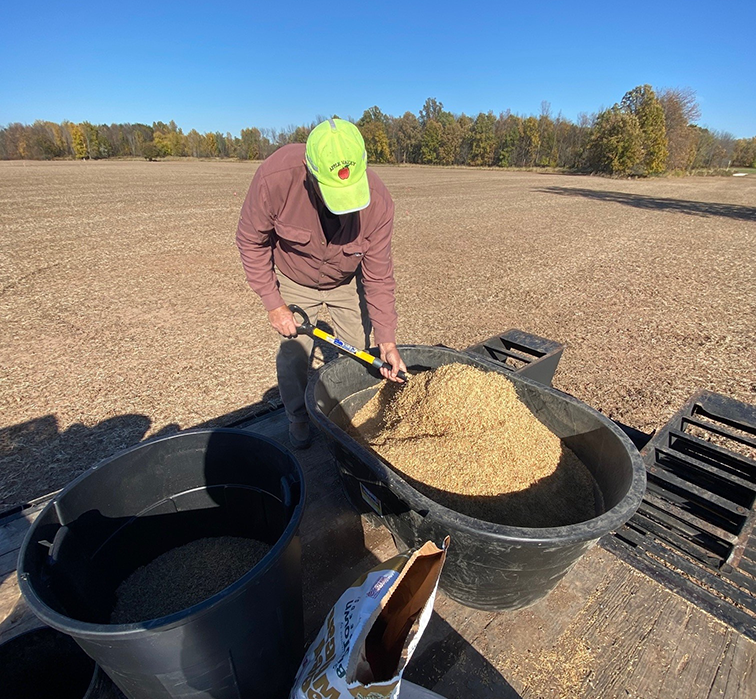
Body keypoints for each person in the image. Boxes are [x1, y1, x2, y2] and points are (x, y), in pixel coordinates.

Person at [236, 118, 406, 449]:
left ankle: (350, 417)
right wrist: (274, 303)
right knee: (295, 355)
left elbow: (379, 274)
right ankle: (299, 417)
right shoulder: (275, 178)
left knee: (359, 351)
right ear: (311, 173)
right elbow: (250, 241)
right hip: (295, 276)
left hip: (346, 278)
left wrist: (387, 340)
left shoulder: (379, 202)